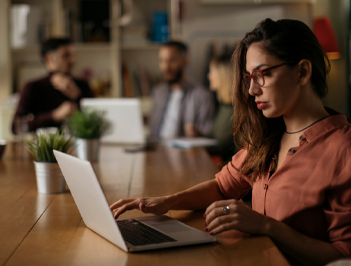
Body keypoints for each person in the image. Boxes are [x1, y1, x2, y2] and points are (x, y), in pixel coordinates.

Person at [111, 19, 351, 265]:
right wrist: (167, 202)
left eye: (264, 74)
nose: (252, 90)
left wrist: (266, 225)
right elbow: (222, 187)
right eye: (250, 78)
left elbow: (344, 256)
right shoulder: (269, 136)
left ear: (302, 71)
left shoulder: (343, 149)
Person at [12, 38, 94, 134]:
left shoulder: (82, 85)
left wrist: (78, 96)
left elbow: (96, 121)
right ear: (49, 58)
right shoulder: (32, 87)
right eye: (66, 55)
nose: (72, 60)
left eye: (72, 55)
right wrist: (55, 115)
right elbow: (16, 127)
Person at [148, 40, 214, 139]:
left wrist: (197, 133)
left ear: (185, 61)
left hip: (185, 152)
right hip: (156, 148)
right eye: (162, 60)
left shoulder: (201, 96)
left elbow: (206, 133)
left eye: (172, 60)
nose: (166, 67)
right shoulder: (158, 92)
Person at [207, 53, 237, 164]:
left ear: (223, 75)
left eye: (211, 72)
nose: (208, 76)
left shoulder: (238, 111)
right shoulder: (223, 106)